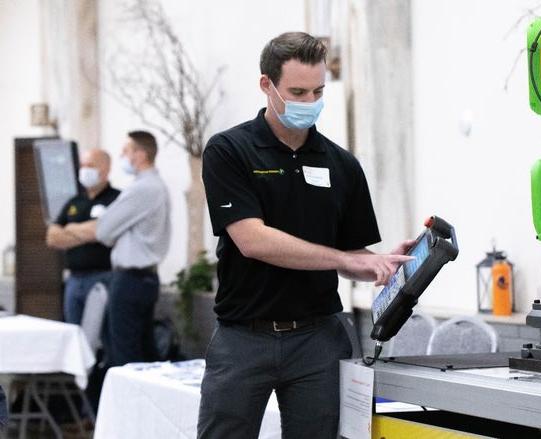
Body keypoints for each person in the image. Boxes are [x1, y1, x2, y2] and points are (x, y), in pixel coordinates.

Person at [197, 32, 414, 438]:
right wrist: (348, 260)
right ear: (267, 85)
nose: (308, 102)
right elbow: (253, 240)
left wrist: (380, 263)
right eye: (296, 91)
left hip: (318, 340)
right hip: (244, 337)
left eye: (317, 91)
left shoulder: (341, 164)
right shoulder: (229, 151)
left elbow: (351, 253)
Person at [66, 131, 171, 367]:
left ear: (140, 154)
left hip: (130, 280)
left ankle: (130, 403)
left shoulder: (143, 188)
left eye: (126, 151)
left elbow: (104, 231)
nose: (122, 156)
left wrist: (71, 230)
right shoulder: (156, 186)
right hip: (145, 277)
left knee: (124, 353)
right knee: (143, 350)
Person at [46, 148, 119, 324]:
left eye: (90, 165)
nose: (85, 169)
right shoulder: (74, 201)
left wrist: (70, 229)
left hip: (104, 277)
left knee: (105, 331)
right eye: (83, 165)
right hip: (74, 279)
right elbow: (52, 237)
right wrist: (89, 232)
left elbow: (104, 231)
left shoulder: (117, 199)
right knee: (73, 331)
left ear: (105, 169)